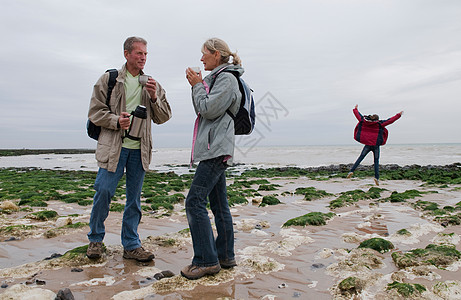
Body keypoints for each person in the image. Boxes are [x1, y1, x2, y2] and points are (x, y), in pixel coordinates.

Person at [86, 36, 172, 261]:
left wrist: (153, 97)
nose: (143, 57)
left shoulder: (152, 83)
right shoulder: (110, 79)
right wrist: (116, 121)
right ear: (127, 54)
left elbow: (164, 116)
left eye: (145, 54)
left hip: (139, 150)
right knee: (103, 192)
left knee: (134, 200)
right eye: (139, 53)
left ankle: (132, 245)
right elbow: (94, 112)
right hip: (114, 147)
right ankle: (95, 240)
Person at [181, 38, 242, 280]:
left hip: (216, 149)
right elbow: (203, 109)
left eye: (204, 53)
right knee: (218, 205)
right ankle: (225, 256)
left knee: (194, 202)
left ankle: (207, 261)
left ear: (216, 54)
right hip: (214, 147)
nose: (201, 58)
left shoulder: (226, 79)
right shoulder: (219, 78)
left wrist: (196, 85)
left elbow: (207, 109)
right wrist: (197, 85)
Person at [347, 104, 403, 185]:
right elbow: (390, 120)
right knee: (376, 161)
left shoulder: (364, 121)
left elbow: (358, 115)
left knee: (360, 158)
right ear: (377, 119)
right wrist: (399, 115)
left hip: (367, 145)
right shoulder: (379, 124)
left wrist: (355, 109)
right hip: (376, 145)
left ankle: (351, 171)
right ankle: (376, 178)